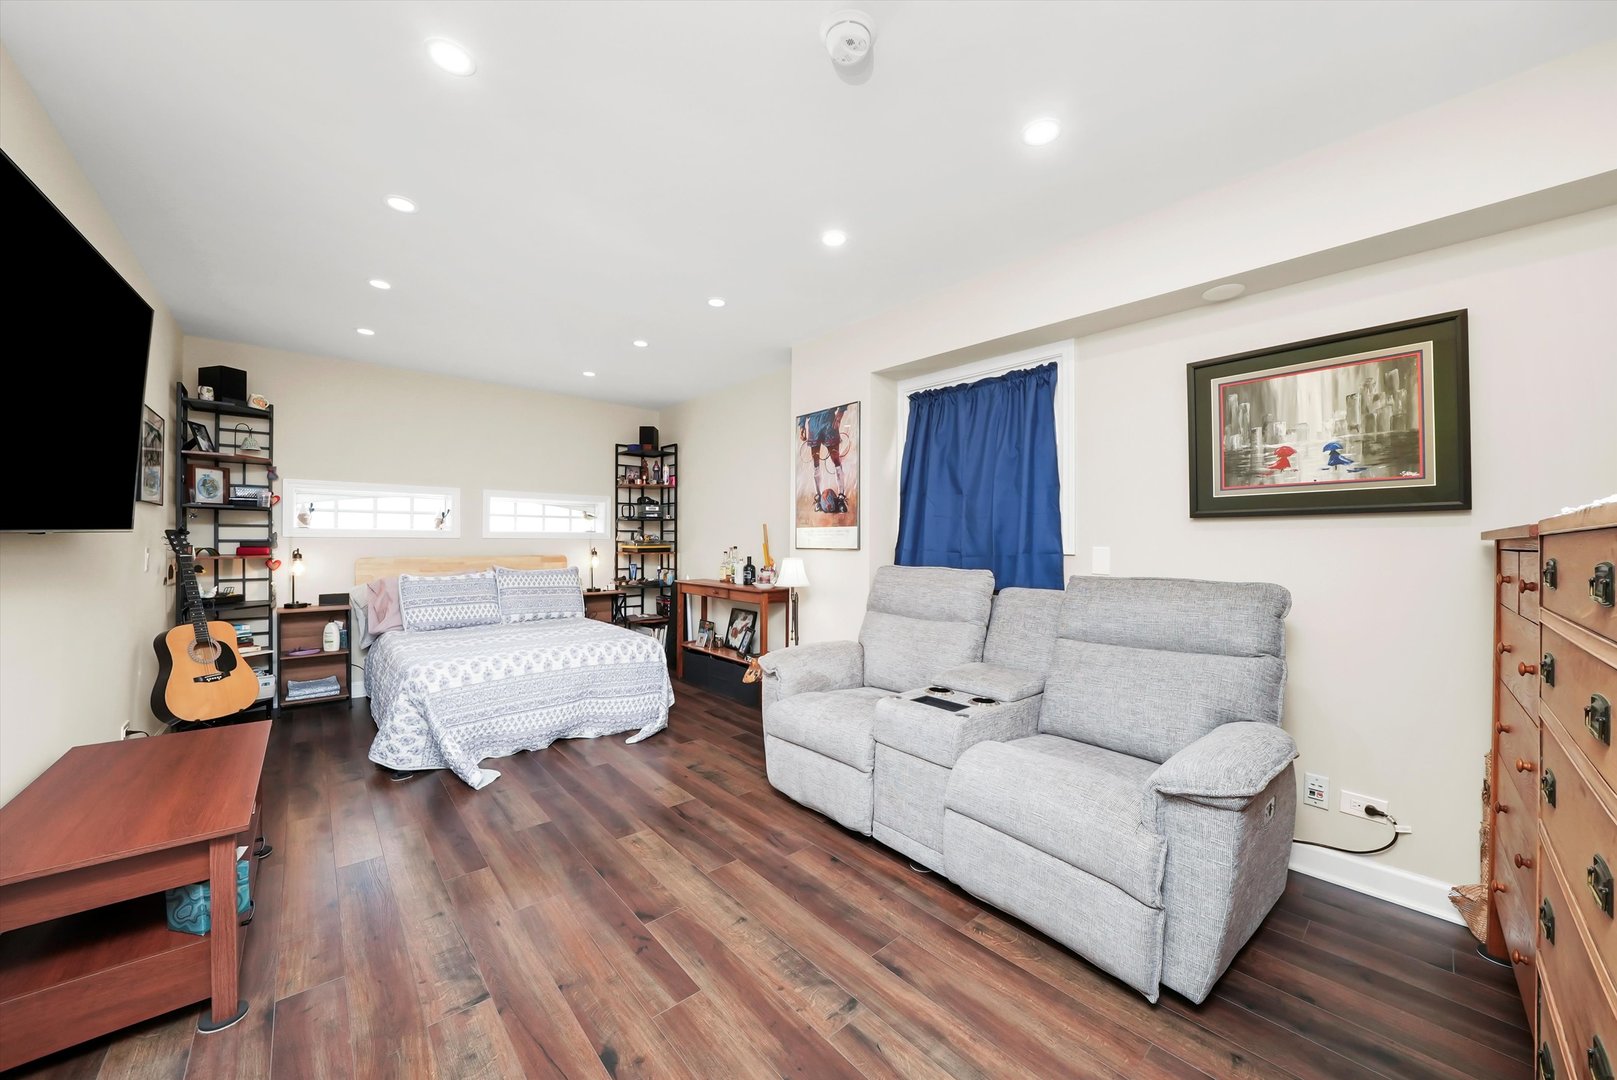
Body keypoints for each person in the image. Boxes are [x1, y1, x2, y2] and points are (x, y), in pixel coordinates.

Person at [799, 404, 849, 513]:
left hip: (829, 422)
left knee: (836, 460)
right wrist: (802, 425)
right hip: (813, 425)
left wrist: (840, 413)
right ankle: (818, 497)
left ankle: (841, 498)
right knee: (816, 464)